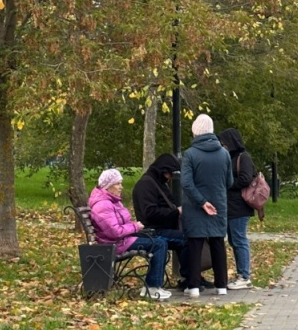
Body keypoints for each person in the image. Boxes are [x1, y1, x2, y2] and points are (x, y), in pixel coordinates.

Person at [88, 168, 172, 301]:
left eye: (120, 183)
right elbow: (115, 232)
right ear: (108, 186)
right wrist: (135, 226)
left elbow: (120, 224)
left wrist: (134, 226)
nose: (121, 187)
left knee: (158, 240)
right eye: (117, 184)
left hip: (122, 239)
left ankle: (154, 285)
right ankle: (152, 286)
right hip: (114, 244)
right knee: (159, 244)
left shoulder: (112, 201)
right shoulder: (103, 205)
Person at [180, 114, 234, 298]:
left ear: (195, 131)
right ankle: (221, 286)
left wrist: (201, 202)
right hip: (218, 204)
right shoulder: (224, 154)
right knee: (218, 243)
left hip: (195, 206)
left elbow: (186, 183)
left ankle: (193, 286)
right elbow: (229, 181)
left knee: (195, 244)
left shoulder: (190, 154)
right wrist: (214, 196)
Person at [132, 153, 191, 289]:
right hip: (152, 230)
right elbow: (150, 213)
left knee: (191, 237)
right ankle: (189, 278)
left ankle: (191, 277)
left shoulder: (157, 183)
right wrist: (176, 212)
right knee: (186, 240)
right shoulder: (146, 185)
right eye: (169, 174)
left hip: (161, 227)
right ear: (162, 171)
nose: (170, 177)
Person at [218, 128, 255, 290]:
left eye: (224, 143)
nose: (222, 146)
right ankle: (241, 273)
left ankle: (245, 275)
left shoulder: (243, 158)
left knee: (239, 239)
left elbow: (245, 179)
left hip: (239, 206)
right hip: (230, 206)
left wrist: (227, 184)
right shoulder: (228, 158)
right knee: (234, 240)